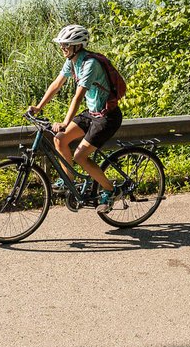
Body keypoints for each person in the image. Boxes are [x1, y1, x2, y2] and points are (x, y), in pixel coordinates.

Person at [27, 24, 123, 213]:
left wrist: (65, 122)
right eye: (62, 44)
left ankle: (111, 190)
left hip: (107, 117)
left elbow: (78, 97)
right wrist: (38, 107)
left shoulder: (90, 64)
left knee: (80, 156)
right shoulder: (72, 61)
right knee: (60, 139)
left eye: (66, 45)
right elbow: (56, 84)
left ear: (78, 46)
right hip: (92, 113)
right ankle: (69, 181)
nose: (62, 48)